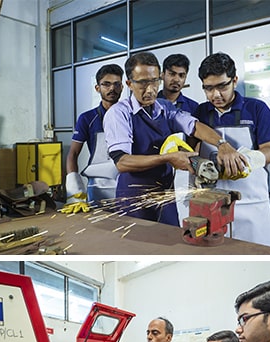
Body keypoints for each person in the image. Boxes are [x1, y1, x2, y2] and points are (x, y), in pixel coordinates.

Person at [104, 51, 249, 225]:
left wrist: (222, 144)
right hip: (134, 197)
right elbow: (122, 162)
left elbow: (194, 126)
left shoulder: (165, 107)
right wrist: (168, 158)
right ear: (129, 83)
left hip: (165, 194)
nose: (150, 89)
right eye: (143, 83)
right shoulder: (119, 113)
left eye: (154, 81)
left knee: (171, 243)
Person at [192, 52, 270, 248]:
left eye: (222, 86)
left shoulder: (257, 109)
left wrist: (246, 160)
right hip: (212, 203)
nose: (215, 95)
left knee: (260, 253)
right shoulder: (200, 112)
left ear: (234, 80)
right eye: (208, 88)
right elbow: (192, 149)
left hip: (251, 203)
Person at [62, 64, 124, 212]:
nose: (111, 89)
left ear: (122, 87)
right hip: (97, 186)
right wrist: (74, 191)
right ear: (97, 88)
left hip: (125, 183)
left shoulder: (130, 115)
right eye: (106, 84)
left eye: (116, 84)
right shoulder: (87, 118)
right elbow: (73, 154)